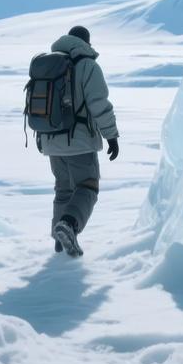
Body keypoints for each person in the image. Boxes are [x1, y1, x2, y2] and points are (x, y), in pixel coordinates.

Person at [33, 25, 119, 257]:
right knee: (87, 186)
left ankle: (60, 245)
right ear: (86, 42)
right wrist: (111, 135)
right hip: (79, 141)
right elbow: (99, 105)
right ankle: (68, 226)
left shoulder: (50, 63)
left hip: (51, 140)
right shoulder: (87, 65)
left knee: (63, 190)